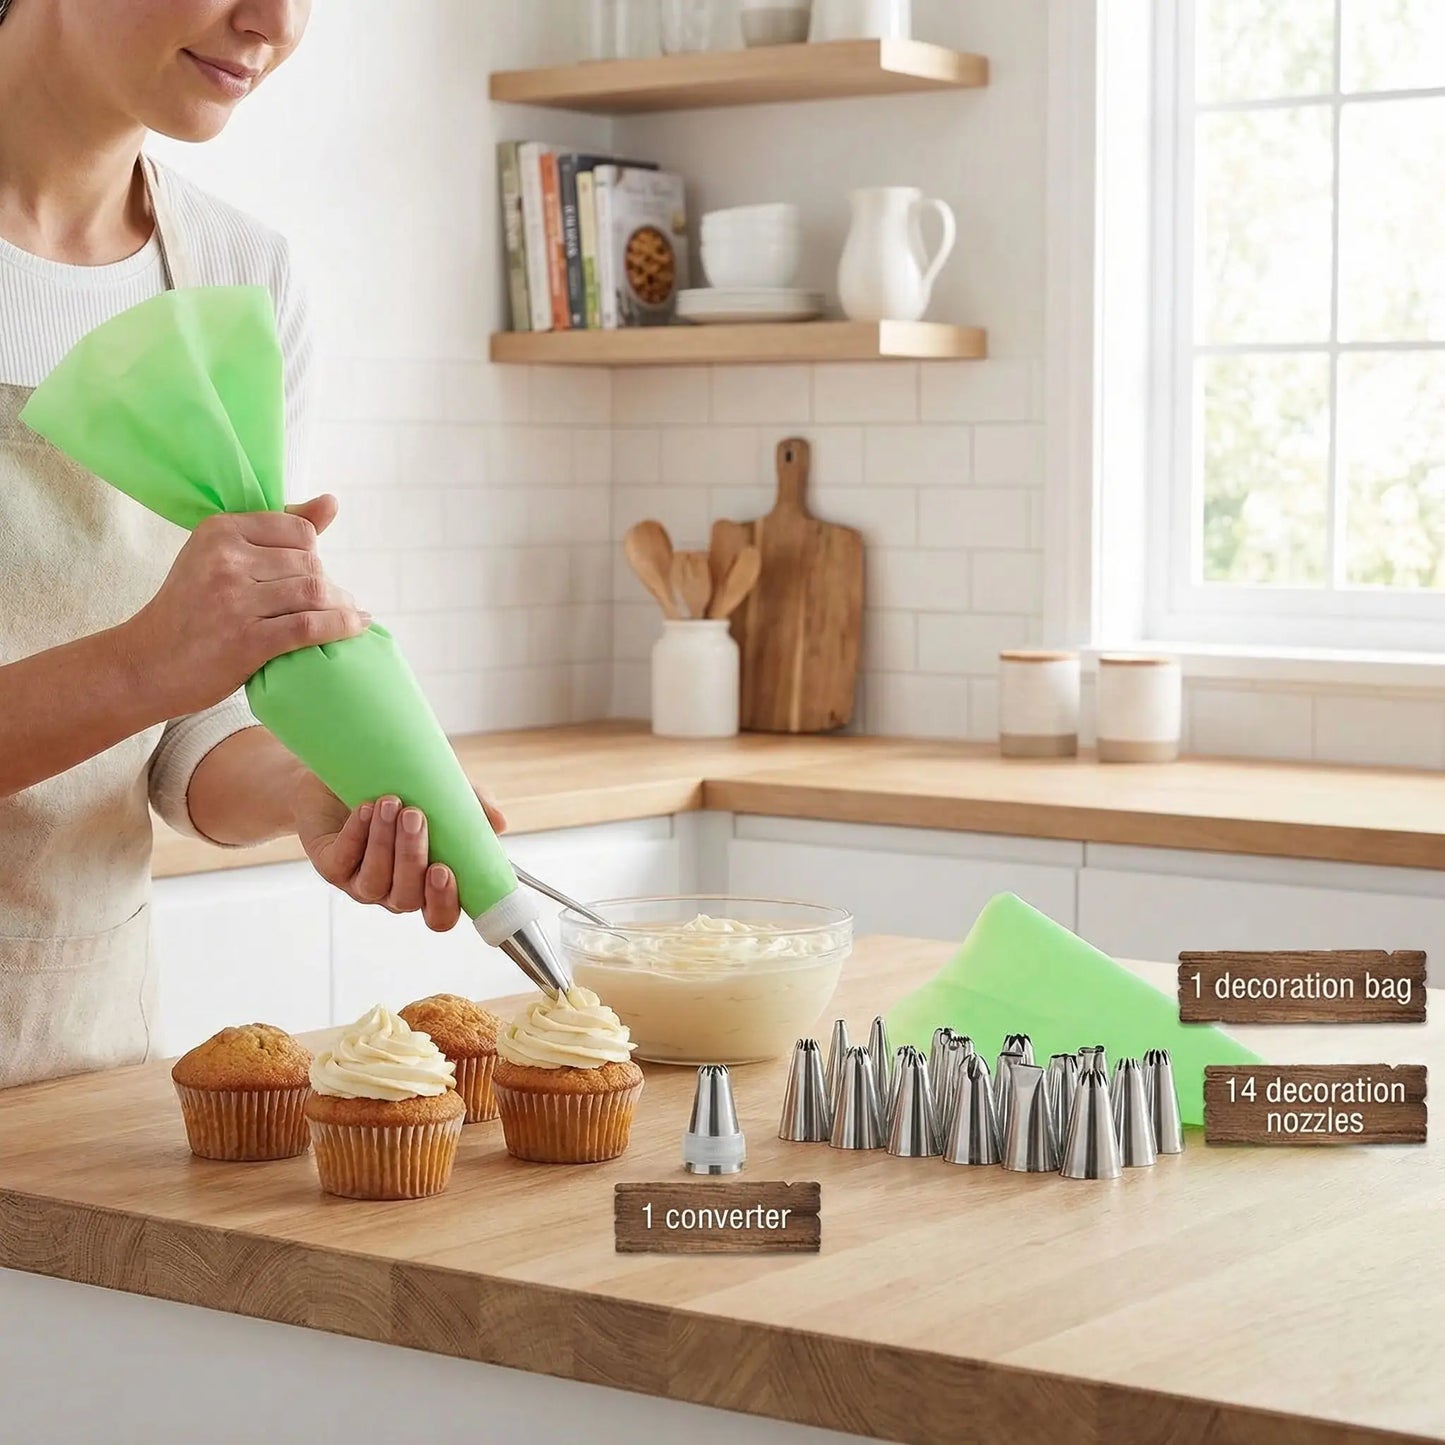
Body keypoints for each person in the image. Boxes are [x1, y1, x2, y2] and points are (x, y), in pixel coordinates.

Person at [0, 0, 502, 1088]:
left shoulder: (235, 278)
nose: (272, 20)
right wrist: (147, 657)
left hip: (79, 1068)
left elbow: (190, 714)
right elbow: (156, 667)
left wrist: (306, 789)